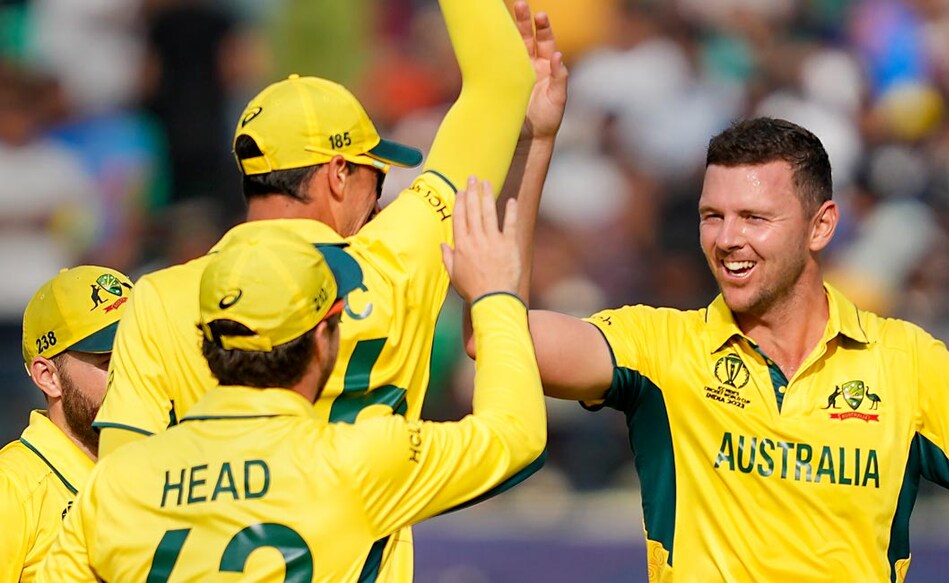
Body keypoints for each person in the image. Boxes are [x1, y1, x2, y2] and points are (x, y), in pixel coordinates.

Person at [490, 117, 949, 582]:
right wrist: (536, 142)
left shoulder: (906, 361)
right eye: (712, 216)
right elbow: (496, 334)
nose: (728, 239)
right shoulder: (660, 347)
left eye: (754, 217)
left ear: (821, 226)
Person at [92, 2, 564, 579]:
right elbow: (503, 83)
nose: (382, 197)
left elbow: (118, 484)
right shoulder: (399, 256)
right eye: (376, 173)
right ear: (339, 173)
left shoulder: (161, 296)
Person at [41, 188, 546, 580]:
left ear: (207, 340)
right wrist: (495, 296)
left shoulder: (115, 483)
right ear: (323, 338)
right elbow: (517, 433)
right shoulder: (358, 460)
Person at [0, 266, 133, 581]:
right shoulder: (12, 488)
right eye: (109, 361)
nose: (132, 374)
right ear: (48, 377)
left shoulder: (162, 468)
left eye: (140, 353)